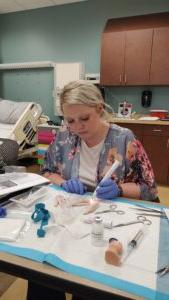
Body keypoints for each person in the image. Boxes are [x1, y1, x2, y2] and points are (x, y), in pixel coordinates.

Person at [27, 80, 158, 300]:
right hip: (70, 223)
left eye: (84, 118)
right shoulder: (62, 138)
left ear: (99, 109)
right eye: (70, 120)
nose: (77, 127)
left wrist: (118, 189)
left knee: (91, 284)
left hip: (109, 226)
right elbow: (47, 171)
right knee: (43, 277)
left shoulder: (124, 138)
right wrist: (62, 182)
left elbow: (150, 189)